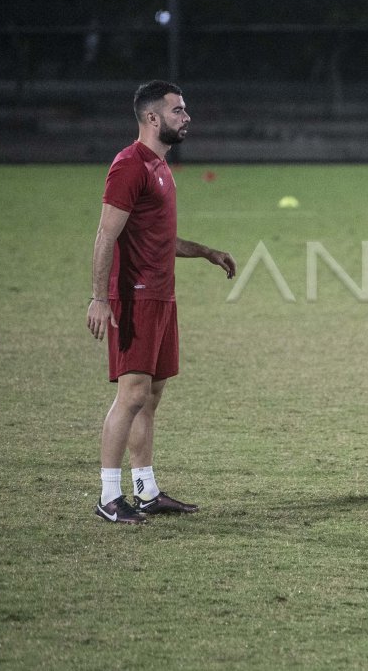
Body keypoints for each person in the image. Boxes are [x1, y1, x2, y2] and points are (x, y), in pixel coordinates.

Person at [87, 80, 236, 524]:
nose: (186, 117)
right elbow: (105, 235)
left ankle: (146, 490)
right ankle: (109, 496)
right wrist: (98, 298)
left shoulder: (160, 167)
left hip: (161, 296)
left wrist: (205, 252)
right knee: (130, 395)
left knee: (150, 397)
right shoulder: (130, 165)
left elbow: (157, 238)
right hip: (133, 298)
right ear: (153, 118)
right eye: (178, 111)